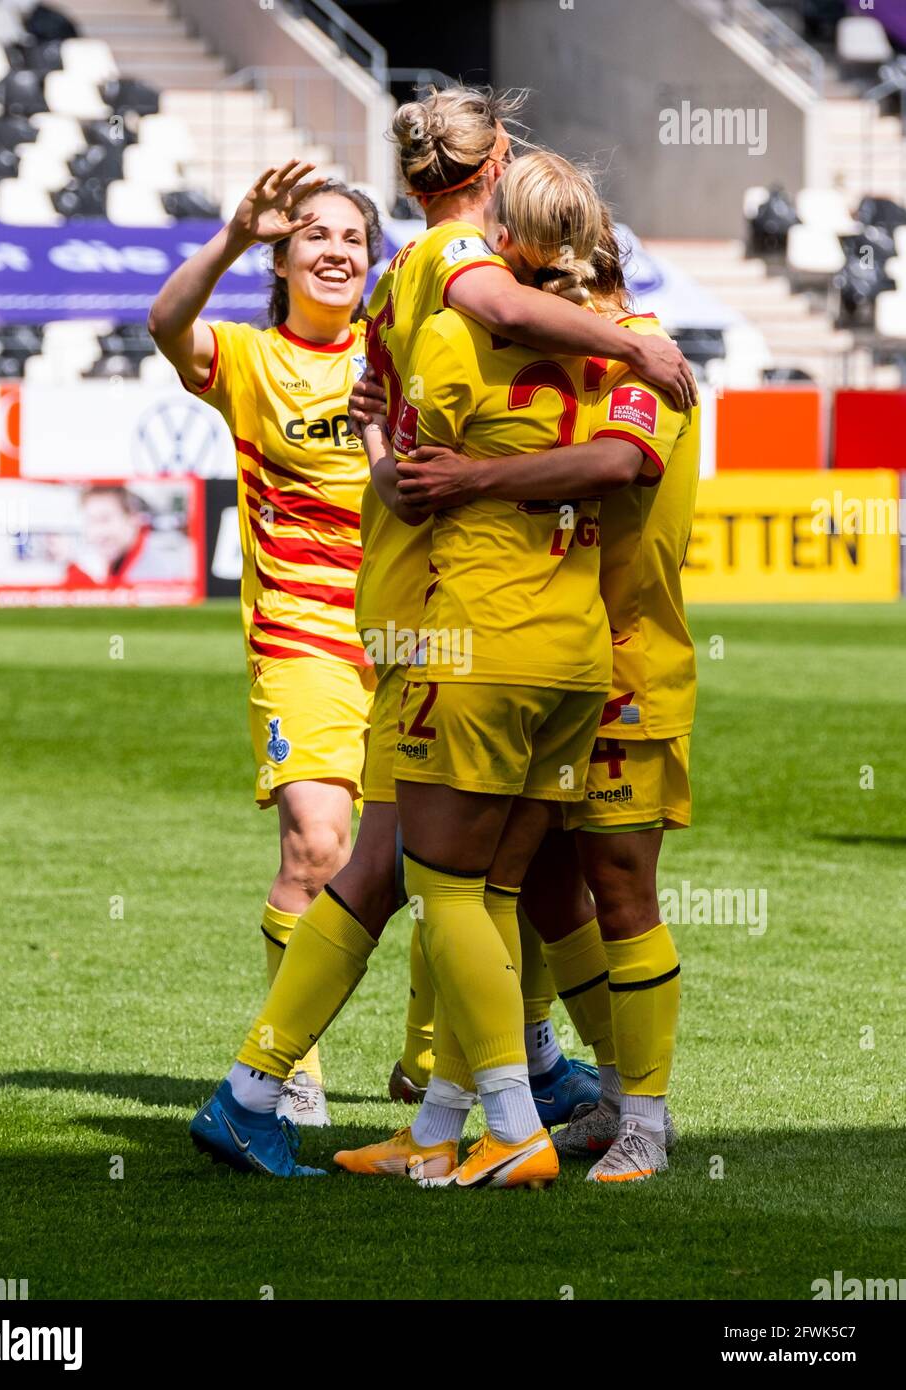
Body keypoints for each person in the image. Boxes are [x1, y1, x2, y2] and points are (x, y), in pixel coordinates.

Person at [185, 85, 696, 1180]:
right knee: (474, 879)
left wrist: (414, 458)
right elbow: (481, 447)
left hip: (492, 637)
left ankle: (525, 1115)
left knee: (467, 883)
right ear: (498, 171)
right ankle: (460, 1113)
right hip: (541, 645)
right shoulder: (566, 331)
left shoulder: (506, 314)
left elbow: (431, 472)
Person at [396, 219, 700, 1183]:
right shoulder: (568, 361)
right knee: (531, 888)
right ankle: (578, 1087)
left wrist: (469, 476)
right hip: (557, 659)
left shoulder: (647, 359)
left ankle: (645, 1116)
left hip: (626, 667)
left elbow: (617, 467)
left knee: (619, 886)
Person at [148, 162, 382, 1133]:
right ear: (284, 258)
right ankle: (291, 1066)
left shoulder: (402, 351)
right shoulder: (247, 358)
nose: (335, 251)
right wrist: (233, 234)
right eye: (315, 236)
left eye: (353, 240)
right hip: (304, 640)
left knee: (449, 864)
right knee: (318, 846)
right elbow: (166, 324)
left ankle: (437, 1065)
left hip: (421, 641)